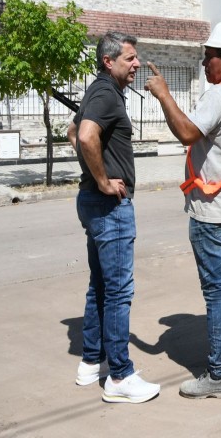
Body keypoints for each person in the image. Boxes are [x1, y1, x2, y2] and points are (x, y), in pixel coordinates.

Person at [145, 21, 221, 399]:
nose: (204, 63)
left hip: (213, 210)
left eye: (208, 57)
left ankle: (218, 375)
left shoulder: (220, 95)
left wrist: (164, 95)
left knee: (216, 293)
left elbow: (187, 133)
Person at [67, 32, 160, 404]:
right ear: (109, 61)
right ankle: (119, 375)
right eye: (130, 58)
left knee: (101, 286)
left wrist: (94, 174)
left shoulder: (97, 90)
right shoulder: (106, 94)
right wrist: (104, 180)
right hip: (108, 206)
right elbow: (86, 135)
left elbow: (74, 130)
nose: (136, 64)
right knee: (118, 291)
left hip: (91, 202)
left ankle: (91, 362)